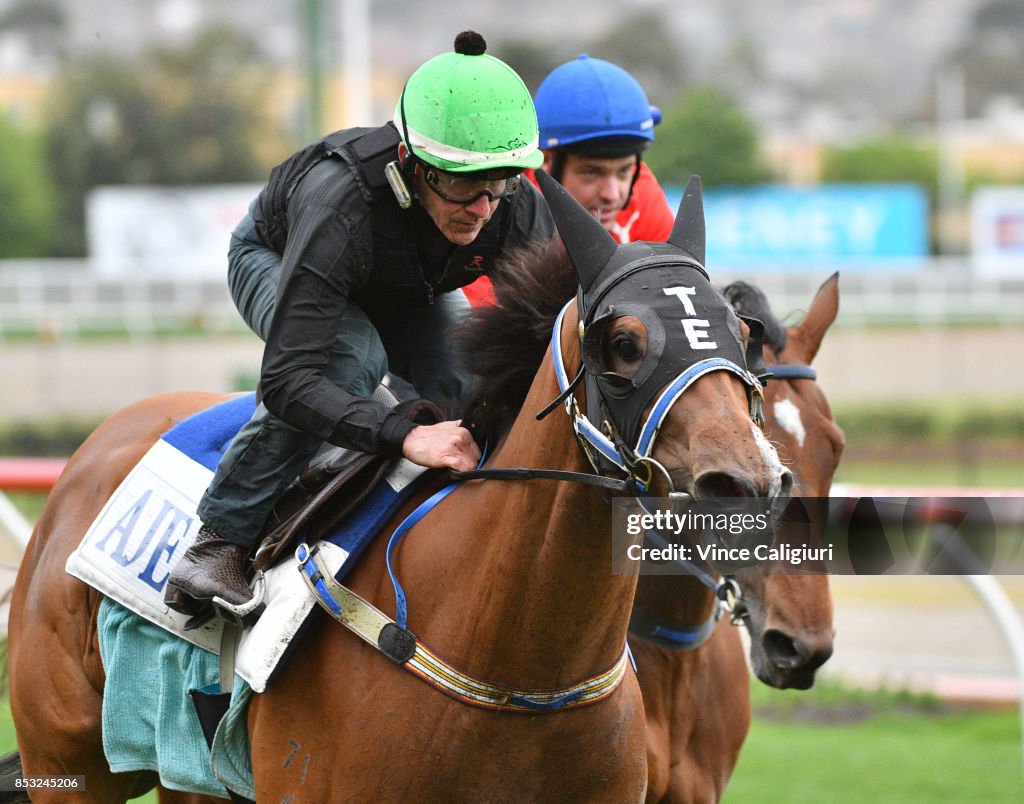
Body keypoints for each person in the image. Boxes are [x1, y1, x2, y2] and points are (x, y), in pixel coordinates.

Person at [164, 30, 555, 618]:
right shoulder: (338, 201)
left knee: (468, 373)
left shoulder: (511, 202)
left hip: (400, 288)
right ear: (409, 163)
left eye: (497, 183)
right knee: (349, 360)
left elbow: (550, 339)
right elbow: (289, 381)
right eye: (459, 182)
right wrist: (403, 433)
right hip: (272, 258)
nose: (481, 206)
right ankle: (219, 542)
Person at [462, 53, 674, 309]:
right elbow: (480, 324)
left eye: (623, 171)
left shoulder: (642, 193)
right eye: (591, 172)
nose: (612, 193)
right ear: (546, 161)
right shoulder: (497, 205)